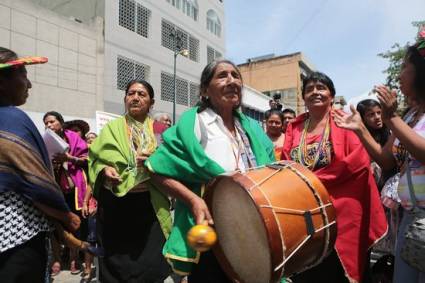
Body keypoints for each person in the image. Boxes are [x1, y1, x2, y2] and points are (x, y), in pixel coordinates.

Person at [145, 60, 275, 282]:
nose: (232, 80)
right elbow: (156, 168)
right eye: (222, 76)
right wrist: (194, 201)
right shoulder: (196, 123)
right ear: (205, 90)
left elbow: (271, 170)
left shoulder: (252, 128)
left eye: (236, 75)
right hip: (211, 231)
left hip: (254, 229)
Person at [333, 29, 425, 283]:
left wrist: (392, 118)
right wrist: (361, 129)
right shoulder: (409, 115)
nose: (399, 73)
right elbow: (387, 161)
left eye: (405, 66)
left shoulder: (399, 117)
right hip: (409, 219)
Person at [282, 71, 387, 283]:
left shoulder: (343, 121)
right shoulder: (294, 128)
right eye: (309, 89)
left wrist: (314, 182)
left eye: (321, 88)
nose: (315, 92)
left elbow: (357, 163)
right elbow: (287, 164)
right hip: (306, 210)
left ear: (331, 95)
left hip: (342, 209)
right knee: (308, 270)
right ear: (303, 97)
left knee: (339, 273)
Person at [0, 47, 80, 283]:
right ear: (2, 83)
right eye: (23, 75)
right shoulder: (12, 119)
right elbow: (34, 183)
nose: (29, 84)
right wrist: (66, 216)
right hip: (16, 239)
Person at [88, 79, 172, 283]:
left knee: (150, 267)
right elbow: (94, 159)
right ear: (125, 99)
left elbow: (173, 161)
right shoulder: (111, 128)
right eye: (131, 93)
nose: (135, 97)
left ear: (151, 102)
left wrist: (156, 162)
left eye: (141, 94)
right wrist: (104, 170)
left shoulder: (161, 130)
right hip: (116, 206)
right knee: (115, 268)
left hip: (149, 206)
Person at [43, 111, 90, 275]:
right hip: (54, 189)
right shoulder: (44, 141)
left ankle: (73, 258)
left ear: (61, 124)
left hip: (73, 190)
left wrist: (69, 159)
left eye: (52, 122)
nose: (48, 125)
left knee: (74, 224)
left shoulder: (74, 138)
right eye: (46, 123)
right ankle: (56, 259)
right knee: (55, 226)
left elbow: (88, 160)